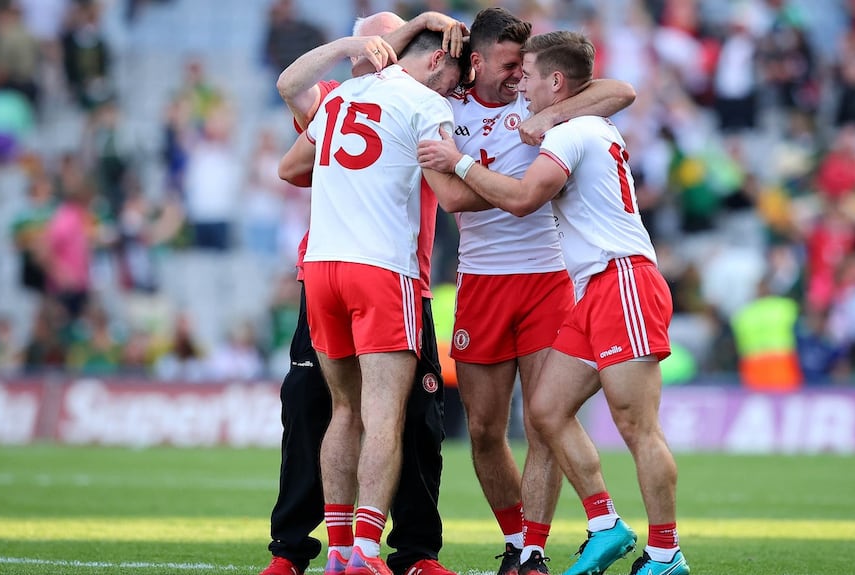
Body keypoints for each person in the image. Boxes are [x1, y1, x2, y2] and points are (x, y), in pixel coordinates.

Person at [418, 30, 690, 575]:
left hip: (621, 279)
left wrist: (459, 161)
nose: (523, 83)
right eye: (513, 67)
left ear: (556, 82)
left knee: (638, 426)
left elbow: (521, 199)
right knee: (545, 412)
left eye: (531, 73)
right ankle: (605, 523)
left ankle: (665, 554)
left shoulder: (572, 131)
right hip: (591, 286)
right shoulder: (568, 126)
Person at [259, 12, 468, 575]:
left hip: (323, 265)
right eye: (452, 75)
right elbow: (450, 196)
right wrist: (505, 187)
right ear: (432, 57)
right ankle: (369, 554)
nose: (456, 88)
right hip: (382, 271)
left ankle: (343, 551)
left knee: (346, 412)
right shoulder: (427, 103)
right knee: (382, 415)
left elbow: (287, 124)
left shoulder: (338, 97)